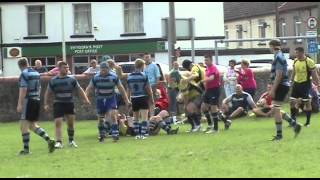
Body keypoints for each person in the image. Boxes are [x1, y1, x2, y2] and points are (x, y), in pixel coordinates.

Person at [44, 61, 91, 148]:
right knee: (58, 122)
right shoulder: (53, 80)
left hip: (69, 103)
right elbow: (48, 92)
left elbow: (79, 89)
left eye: (68, 68)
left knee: (70, 123)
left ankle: (71, 141)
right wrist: (46, 103)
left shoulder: (72, 79)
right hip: (58, 103)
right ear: (59, 69)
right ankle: (59, 142)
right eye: (64, 68)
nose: (67, 69)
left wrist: (86, 99)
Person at [16, 58, 55, 155]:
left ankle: (26, 150)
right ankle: (49, 140)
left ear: (19, 65)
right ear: (27, 63)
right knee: (32, 125)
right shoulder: (36, 73)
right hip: (36, 100)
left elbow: (23, 89)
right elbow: (40, 87)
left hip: (28, 100)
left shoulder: (24, 74)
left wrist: (20, 104)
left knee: (23, 125)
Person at [85, 62, 130, 143]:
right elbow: (89, 88)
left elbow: (121, 88)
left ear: (108, 69)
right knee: (100, 118)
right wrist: (85, 99)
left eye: (106, 70)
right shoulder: (96, 77)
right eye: (102, 70)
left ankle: (115, 134)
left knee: (113, 114)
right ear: (100, 69)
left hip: (111, 98)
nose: (104, 71)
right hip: (100, 99)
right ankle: (102, 134)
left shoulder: (114, 77)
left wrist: (127, 100)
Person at [268, 39, 301, 141]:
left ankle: (279, 135)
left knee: (276, 110)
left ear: (272, 46)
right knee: (276, 108)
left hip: (281, 85)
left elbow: (279, 74)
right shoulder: (280, 55)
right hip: (282, 85)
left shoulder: (278, 57)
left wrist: (273, 89)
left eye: (269, 46)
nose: (269, 48)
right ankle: (294, 124)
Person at [289, 47, 320, 127]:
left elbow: (314, 74)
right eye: (295, 53)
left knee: (307, 102)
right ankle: (293, 121)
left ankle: (307, 122)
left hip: (305, 84)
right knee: (292, 102)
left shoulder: (309, 62)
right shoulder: (295, 61)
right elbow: (294, 72)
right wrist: (291, 81)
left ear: (302, 53)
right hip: (296, 84)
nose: (296, 55)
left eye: (297, 53)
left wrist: (318, 84)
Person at [200, 55, 229, 134]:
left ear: (211, 60)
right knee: (204, 107)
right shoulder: (207, 68)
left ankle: (215, 129)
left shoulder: (213, 68)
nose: (206, 62)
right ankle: (218, 123)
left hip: (214, 90)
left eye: (207, 60)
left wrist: (203, 81)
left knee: (213, 108)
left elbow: (211, 78)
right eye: (205, 60)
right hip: (208, 90)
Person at [127, 59, 154, 140]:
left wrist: (128, 100)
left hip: (134, 98)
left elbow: (128, 90)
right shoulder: (144, 76)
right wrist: (151, 98)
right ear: (142, 66)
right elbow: (148, 88)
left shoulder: (129, 76)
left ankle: (137, 134)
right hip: (142, 97)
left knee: (135, 118)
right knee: (144, 117)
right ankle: (143, 134)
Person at [180, 59, 205, 132]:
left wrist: (186, 80)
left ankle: (198, 126)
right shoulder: (200, 67)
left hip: (200, 93)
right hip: (200, 92)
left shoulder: (194, 68)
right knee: (195, 110)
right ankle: (195, 126)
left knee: (189, 108)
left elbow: (196, 75)